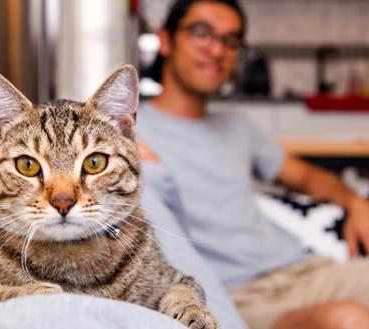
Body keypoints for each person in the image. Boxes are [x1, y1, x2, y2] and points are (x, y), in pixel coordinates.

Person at [137, 1, 369, 329]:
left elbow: (305, 176)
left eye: (230, 41)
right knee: (348, 321)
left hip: (307, 271)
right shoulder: (131, 136)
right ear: (165, 40)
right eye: (202, 33)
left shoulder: (239, 128)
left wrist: (354, 202)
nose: (217, 50)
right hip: (241, 297)